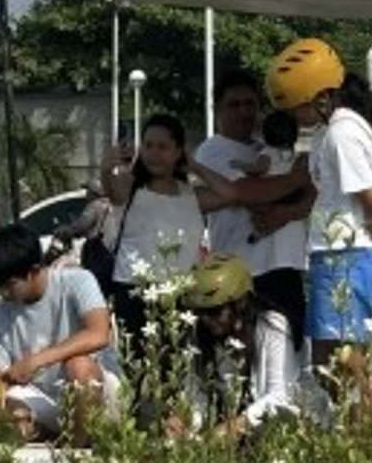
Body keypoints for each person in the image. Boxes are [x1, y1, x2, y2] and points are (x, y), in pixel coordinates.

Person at [100, 113, 306, 354]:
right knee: (143, 369)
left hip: (182, 293)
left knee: (178, 369)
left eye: (164, 147)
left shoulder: (191, 195)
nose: (154, 154)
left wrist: (195, 165)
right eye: (148, 146)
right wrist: (107, 168)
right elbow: (112, 190)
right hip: (136, 291)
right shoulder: (131, 186)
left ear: (178, 151)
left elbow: (230, 193)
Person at [268, 38, 372, 384]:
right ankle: (350, 431)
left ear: (319, 98)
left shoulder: (343, 135)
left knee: (347, 365)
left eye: (298, 107)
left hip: (348, 256)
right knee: (329, 365)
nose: (296, 116)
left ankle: (363, 434)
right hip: (333, 257)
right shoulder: (334, 132)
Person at [194, 71, 315, 355]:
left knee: (288, 351)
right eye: (233, 105)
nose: (243, 112)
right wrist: (297, 180)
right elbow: (246, 191)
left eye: (249, 104)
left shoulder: (271, 149)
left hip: (283, 264)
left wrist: (286, 211)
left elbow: (314, 192)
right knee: (242, 358)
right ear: (217, 109)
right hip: (240, 272)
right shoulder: (213, 152)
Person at [0, 224, 121, 443]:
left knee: (78, 365)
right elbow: (1, 375)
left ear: (34, 270)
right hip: (44, 399)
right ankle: (50, 434)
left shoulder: (77, 281)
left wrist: (37, 361)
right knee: (6, 407)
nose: (4, 293)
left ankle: (78, 449)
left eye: (10, 284)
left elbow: (99, 333)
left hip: (96, 391)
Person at [183, 255, 329, 434]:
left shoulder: (272, 325)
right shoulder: (202, 337)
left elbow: (281, 396)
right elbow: (198, 395)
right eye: (200, 312)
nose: (206, 320)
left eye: (214, 311)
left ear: (240, 303)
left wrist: (236, 426)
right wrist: (188, 420)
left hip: (291, 428)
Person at [54, 180, 110, 244]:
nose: (86, 194)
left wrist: (64, 231)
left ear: (93, 193)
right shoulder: (110, 205)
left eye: (88, 191)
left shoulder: (94, 206)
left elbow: (81, 226)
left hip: (96, 244)